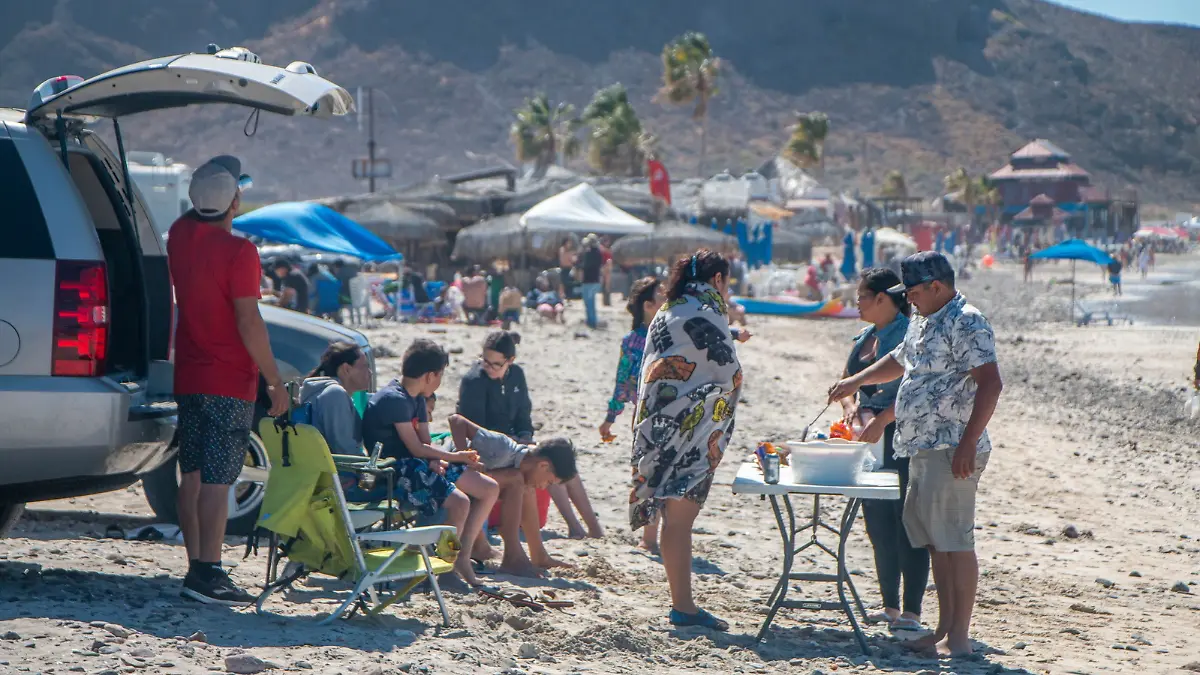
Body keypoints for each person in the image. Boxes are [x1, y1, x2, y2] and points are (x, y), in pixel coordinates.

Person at [828, 251, 1003, 657]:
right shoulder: (924, 320)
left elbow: (991, 384)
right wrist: (855, 381)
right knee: (936, 542)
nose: (908, 299)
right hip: (921, 445)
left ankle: (959, 637)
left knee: (956, 540)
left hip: (952, 446)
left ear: (936, 286)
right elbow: (899, 361)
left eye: (912, 292)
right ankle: (943, 629)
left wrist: (967, 443)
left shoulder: (967, 321)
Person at [167, 155, 290, 605]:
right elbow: (248, 321)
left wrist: (212, 192)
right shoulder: (240, 252)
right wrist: (274, 380)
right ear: (235, 202)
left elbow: (197, 215)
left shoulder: (179, 235)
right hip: (228, 378)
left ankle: (194, 567)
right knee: (219, 481)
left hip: (190, 373)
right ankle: (210, 572)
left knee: (192, 475)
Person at [629, 249, 750, 631]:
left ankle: (682, 602)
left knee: (671, 515)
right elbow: (727, 370)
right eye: (726, 283)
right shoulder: (710, 308)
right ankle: (683, 607)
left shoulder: (670, 308)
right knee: (680, 519)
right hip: (692, 431)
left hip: (656, 425)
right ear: (718, 280)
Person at [832, 268, 929, 634]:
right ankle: (890, 605)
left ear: (883, 299)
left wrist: (882, 418)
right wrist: (851, 408)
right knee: (877, 521)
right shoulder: (864, 337)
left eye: (862, 296)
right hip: (868, 437)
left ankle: (912, 610)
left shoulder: (908, 335)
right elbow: (848, 383)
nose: (857, 302)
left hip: (902, 436)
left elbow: (914, 389)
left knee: (907, 520)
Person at [361, 339, 499, 585]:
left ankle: (463, 556)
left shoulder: (416, 398)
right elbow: (415, 447)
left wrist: (438, 460)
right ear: (430, 376)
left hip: (418, 464)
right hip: (395, 471)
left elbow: (425, 442)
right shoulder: (394, 399)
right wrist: (456, 456)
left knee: (489, 488)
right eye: (440, 375)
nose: (439, 381)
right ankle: (447, 565)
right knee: (460, 502)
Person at [457, 331, 603, 540]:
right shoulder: (474, 381)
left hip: (515, 444)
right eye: (485, 361)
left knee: (560, 460)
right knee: (546, 465)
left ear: (510, 361)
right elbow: (476, 429)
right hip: (492, 450)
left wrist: (525, 435)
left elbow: (524, 414)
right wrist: (513, 439)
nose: (488, 367)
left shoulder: (516, 375)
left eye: (496, 364)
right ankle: (575, 527)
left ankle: (593, 528)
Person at [447, 414, 577, 576]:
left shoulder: (521, 464)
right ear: (543, 465)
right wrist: (464, 459)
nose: (544, 487)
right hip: (448, 476)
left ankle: (538, 554)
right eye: (548, 482)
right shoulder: (502, 448)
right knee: (516, 479)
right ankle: (513, 556)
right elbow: (456, 421)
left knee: (525, 486)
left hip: (471, 485)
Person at [598, 277, 665, 553]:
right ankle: (649, 538)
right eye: (662, 294)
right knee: (646, 475)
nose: (668, 297)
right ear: (649, 305)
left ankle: (662, 535)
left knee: (666, 474)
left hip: (677, 412)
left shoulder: (674, 333)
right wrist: (610, 417)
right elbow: (622, 381)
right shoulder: (633, 341)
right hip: (645, 415)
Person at [578, 233, 605, 329]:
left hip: (588, 280)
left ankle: (591, 321)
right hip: (595, 280)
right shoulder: (599, 253)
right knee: (591, 302)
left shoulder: (588, 253)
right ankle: (592, 321)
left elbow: (583, 266)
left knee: (588, 302)